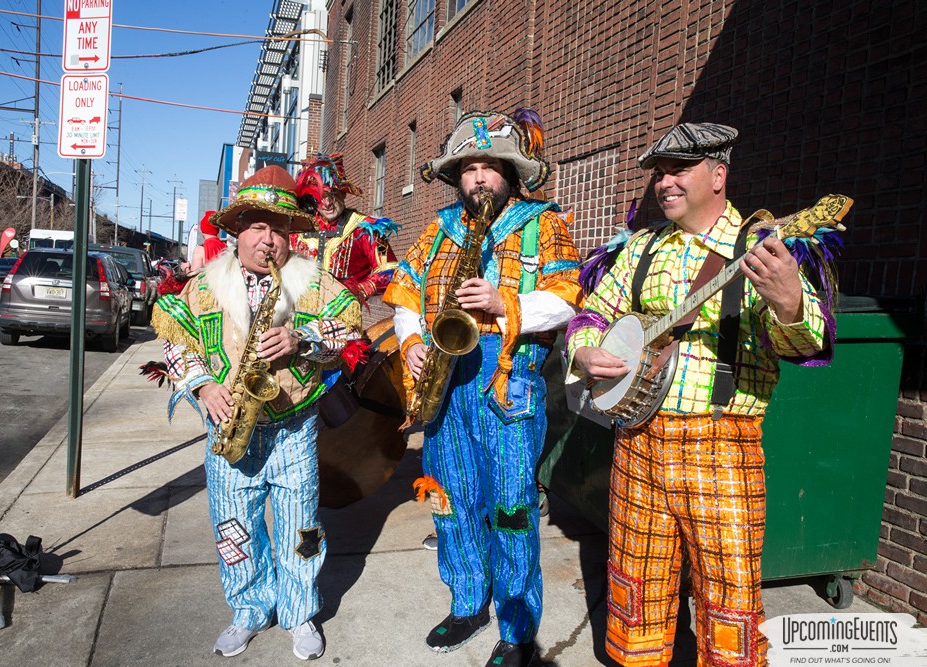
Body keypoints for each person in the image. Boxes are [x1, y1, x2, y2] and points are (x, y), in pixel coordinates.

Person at [567, 122, 836, 666]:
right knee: (635, 590)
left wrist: (787, 302)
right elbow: (592, 313)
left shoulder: (761, 249)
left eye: (678, 170)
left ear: (718, 174)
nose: (664, 182)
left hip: (721, 448)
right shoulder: (641, 246)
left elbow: (804, 342)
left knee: (728, 598)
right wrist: (584, 352)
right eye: (659, 172)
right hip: (637, 443)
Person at [383, 108, 583, 667]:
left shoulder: (544, 224)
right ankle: (468, 601)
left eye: (489, 167)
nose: (477, 178)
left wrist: (505, 303)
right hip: (446, 384)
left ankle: (518, 630)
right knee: (451, 501)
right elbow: (405, 292)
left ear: (510, 173)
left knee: (512, 508)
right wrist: (413, 340)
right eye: (469, 169)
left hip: (508, 384)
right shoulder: (438, 228)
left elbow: (570, 296)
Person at [151, 166, 365, 662]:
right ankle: (248, 610)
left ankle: (300, 612)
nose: (268, 240)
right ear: (237, 232)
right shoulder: (203, 285)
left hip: (293, 427)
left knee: (302, 528)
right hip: (229, 425)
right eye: (256, 227)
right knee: (233, 526)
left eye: (278, 229)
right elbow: (175, 344)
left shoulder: (314, 282)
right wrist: (202, 387)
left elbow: (348, 331)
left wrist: (302, 339)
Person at [293, 153, 399, 305]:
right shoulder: (299, 228)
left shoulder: (365, 229)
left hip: (342, 318)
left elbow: (389, 270)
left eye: (333, 194)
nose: (328, 203)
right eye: (321, 196)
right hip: (297, 313)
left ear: (344, 194)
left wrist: (357, 291)